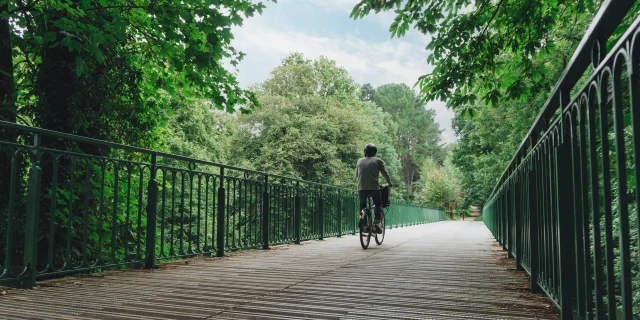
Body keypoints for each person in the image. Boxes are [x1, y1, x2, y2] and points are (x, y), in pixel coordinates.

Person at [356, 143, 392, 233]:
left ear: (365, 152)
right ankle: (376, 223)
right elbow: (385, 174)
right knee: (377, 204)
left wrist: (359, 184)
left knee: (362, 204)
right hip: (374, 188)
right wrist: (389, 183)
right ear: (374, 152)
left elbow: (357, 175)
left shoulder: (359, 161)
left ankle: (362, 219)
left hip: (361, 187)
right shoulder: (377, 161)